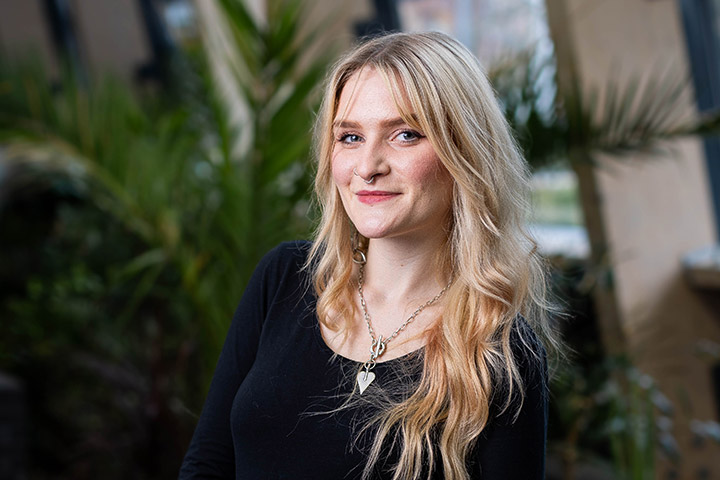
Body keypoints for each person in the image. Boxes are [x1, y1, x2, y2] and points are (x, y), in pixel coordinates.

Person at [179, 31, 557, 480]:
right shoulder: (283, 277)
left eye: (405, 134)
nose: (367, 166)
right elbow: (207, 464)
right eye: (351, 137)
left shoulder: (499, 354)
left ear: (465, 153)